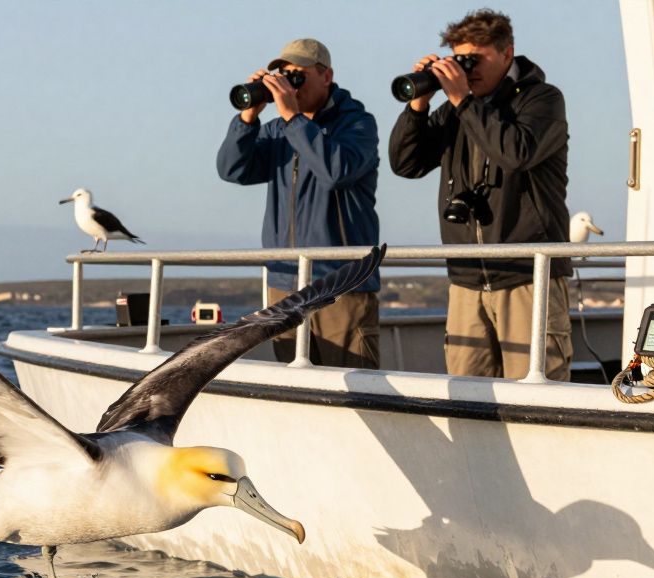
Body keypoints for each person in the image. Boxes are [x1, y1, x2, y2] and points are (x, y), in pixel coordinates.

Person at [388, 9, 573, 381]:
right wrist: (418, 107)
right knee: (469, 399)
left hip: (527, 277)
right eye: (460, 60)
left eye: (475, 59)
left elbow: (516, 153)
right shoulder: (456, 111)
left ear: (507, 54)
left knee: (537, 399)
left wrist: (463, 102)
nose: (466, 70)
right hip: (466, 279)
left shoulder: (542, 100)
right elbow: (406, 164)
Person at [217, 38, 381, 369]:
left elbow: (336, 172)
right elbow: (232, 170)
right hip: (285, 283)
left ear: (326, 76)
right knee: (295, 386)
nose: (290, 85)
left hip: (340, 284)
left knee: (354, 388)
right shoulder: (278, 129)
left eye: (297, 76)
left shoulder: (357, 124)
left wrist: (294, 119)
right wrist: (247, 119)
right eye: (284, 76)